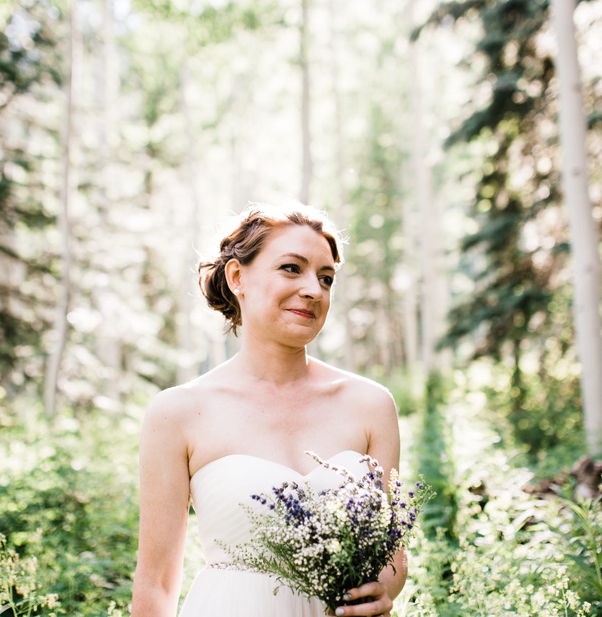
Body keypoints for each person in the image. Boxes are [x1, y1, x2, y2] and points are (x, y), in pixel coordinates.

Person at [131, 202, 406, 617]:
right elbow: (156, 582)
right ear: (237, 276)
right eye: (292, 268)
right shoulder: (179, 412)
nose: (314, 289)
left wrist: (382, 591)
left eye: (326, 277)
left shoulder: (371, 404)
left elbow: (392, 554)